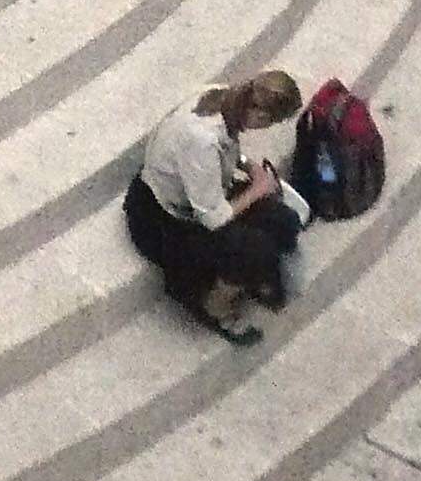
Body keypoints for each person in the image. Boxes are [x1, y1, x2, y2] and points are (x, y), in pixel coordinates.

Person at [124, 73, 305, 346]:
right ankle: (213, 306)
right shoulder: (203, 140)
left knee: (283, 220)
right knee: (255, 249)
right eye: (272, 122)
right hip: (160, 217)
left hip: (192, 192)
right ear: (261, 115)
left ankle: (240, 279)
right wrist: (258, 188)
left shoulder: (222, 96)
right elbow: (212, 216)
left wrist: (247, 165)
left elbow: (226, 148)